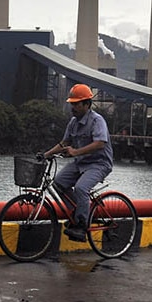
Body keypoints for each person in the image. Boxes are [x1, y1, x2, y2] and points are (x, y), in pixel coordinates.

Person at [40, 83, 113, 242]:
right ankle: (76, 212)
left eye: (76, 104)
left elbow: (100, 143)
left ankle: (81, 225)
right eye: (71, 103)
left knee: (81, 187)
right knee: (58, 182)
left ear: (87, 104)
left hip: (99, 164)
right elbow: (64, 142)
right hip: (81, 163)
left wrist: (76, 152)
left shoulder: (97, 121)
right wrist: (46, 155)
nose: (72, 107)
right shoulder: (73, 122)